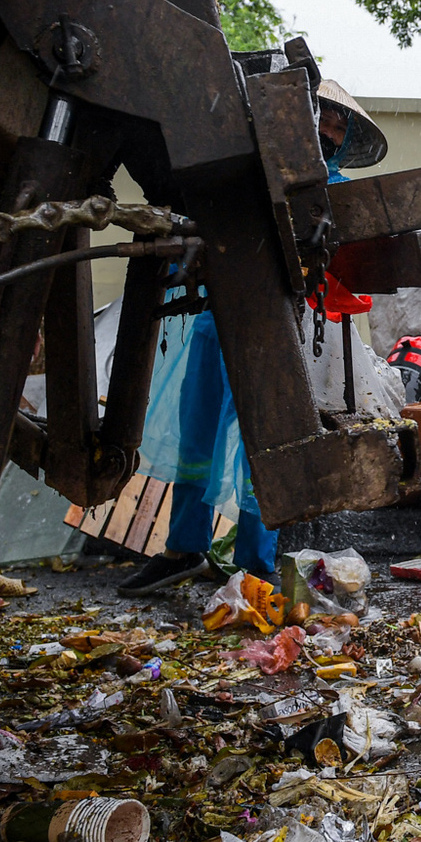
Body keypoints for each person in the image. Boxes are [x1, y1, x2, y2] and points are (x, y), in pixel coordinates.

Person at [118, 77, 388, 596]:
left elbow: (341, 270)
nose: (330, 130)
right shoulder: (250, 163)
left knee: (263, 437)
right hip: (217, 312)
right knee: (196, 429)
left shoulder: (330, 189)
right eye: (324, 117)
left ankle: (255, 565)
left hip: (277, 326)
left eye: (340, 124)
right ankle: (184, 547)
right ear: (297, 118)